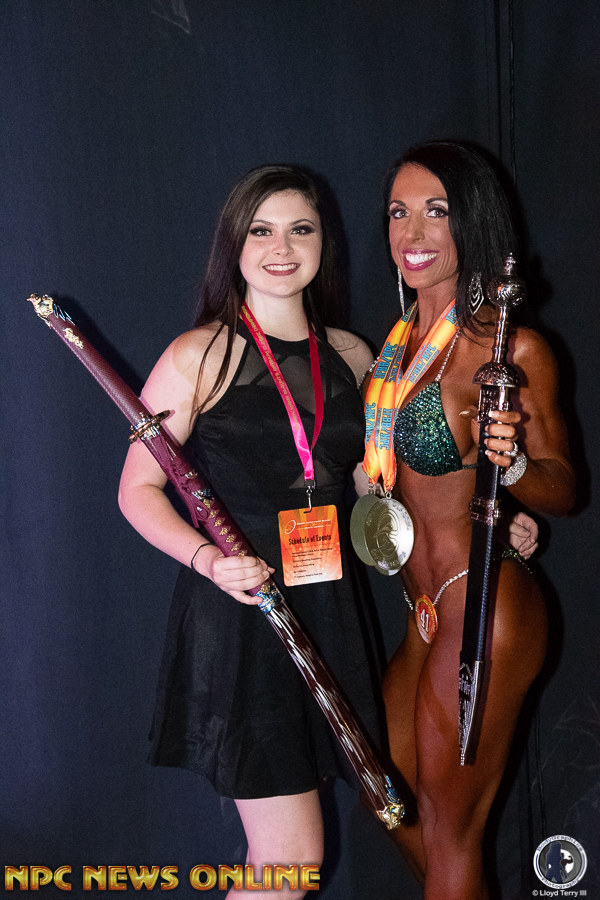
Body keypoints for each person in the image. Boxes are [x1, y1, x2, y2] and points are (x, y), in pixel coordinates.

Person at [118, 164, 381, 899]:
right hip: (244, 617)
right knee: (289, 861)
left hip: (327, 606)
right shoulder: (198, 354)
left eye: (301, 229)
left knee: (284, 861)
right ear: (233, 243)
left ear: (325, 241)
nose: (282, 248)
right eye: (261, 230)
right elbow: (136, 490)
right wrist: (208, 560)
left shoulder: (356, 356)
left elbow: (371, 486)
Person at [365, 141, 576, 899]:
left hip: (484, 604)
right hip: (421, 612)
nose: (413, 232)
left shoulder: (509, 347)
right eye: (399, 212)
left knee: (452, 836)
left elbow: (564, 487)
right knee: (388, 797)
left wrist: (512, 467)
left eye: (437, 211)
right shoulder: (394, 347)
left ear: (474, 223)